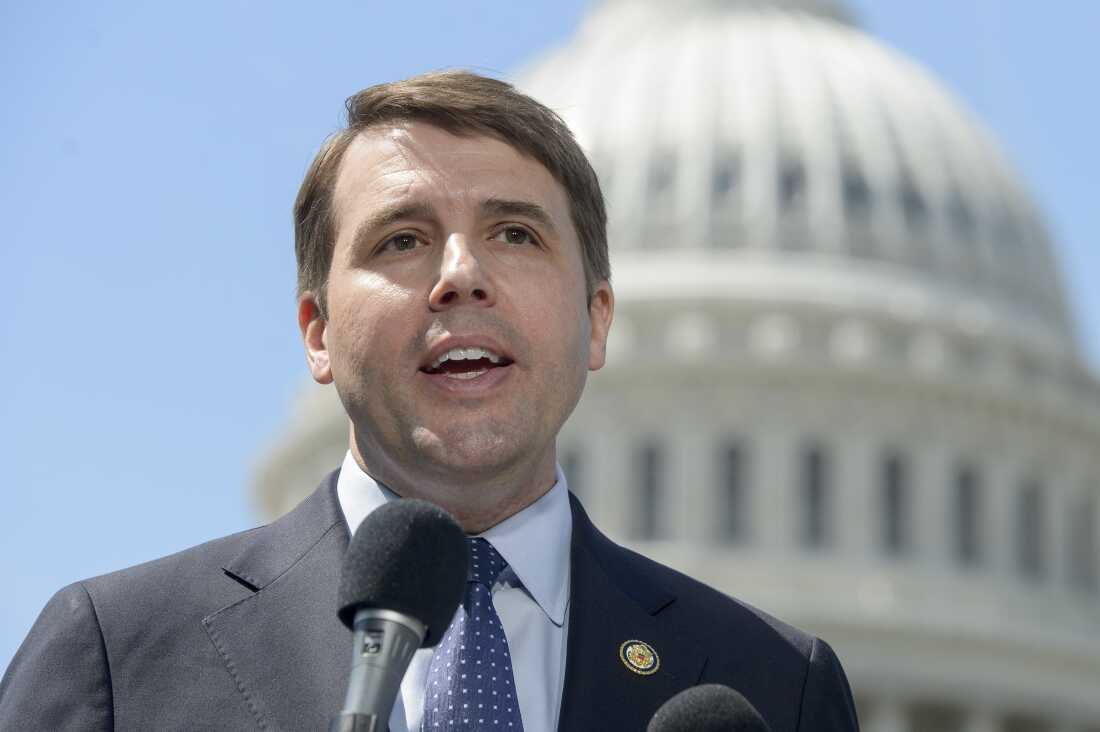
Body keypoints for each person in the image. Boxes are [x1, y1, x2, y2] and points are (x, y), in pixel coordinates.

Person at [0, 71, 859, 731]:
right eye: (403, 239)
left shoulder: (774, 687)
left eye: (515, 233)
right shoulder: (117, 657)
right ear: (318, 332)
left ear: (597, 320)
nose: (462, 276)